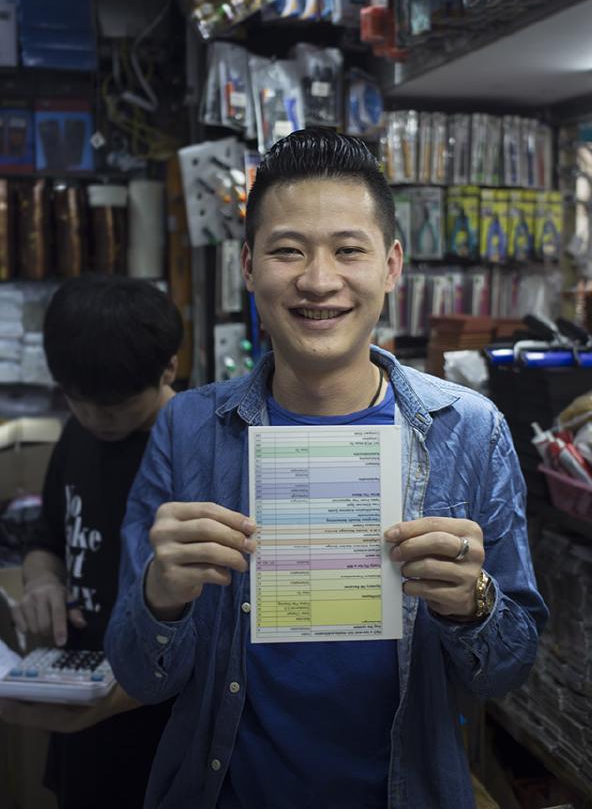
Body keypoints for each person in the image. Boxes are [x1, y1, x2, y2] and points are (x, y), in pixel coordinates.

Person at [105, 129, 548, 809]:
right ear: (248, 265)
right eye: (288, 250)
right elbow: (140, 674)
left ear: (392, 265)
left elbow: (508, 672)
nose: (318, 281)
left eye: (349, 250)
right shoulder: (188, 428)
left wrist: (472, 603)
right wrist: (162, 596)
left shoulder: (472, 431)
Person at [0, 274, 183, 809]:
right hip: (77, 705)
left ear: (168, 368)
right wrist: (42, 582)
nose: (98, 420)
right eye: (80, 402)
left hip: (161, 729)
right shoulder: (77, 432)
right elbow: (47, 537)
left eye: (119, 406)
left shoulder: (195, 449)